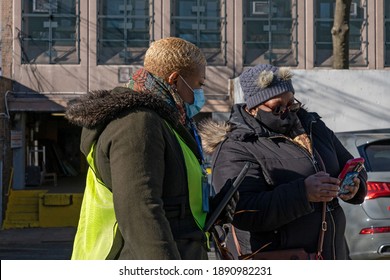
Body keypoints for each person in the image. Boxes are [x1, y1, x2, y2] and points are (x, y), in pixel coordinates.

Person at [199, 64, 367, 260]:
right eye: (278, 108)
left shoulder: (314, 127)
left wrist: (355, 185)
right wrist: (303, 193)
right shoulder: (236, 145)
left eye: (292, 104)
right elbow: (242, 210)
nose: (288, 112)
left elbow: (351, 163)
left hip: (332, 253)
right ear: (253, 108)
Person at [65, 37, 210, 260]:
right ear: (174, 80)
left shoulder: (163, 123)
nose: (200, 95)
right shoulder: (137, 122)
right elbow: (140, 210)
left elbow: (171, 197)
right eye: (199, 84)